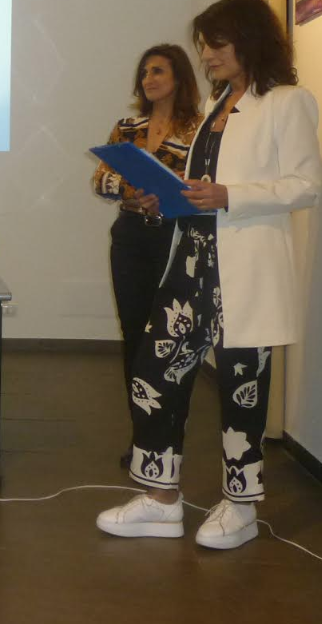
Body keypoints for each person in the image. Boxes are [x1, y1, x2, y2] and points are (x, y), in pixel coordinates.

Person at [96, 0, 322, 550]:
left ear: (250, 40)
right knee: (154, 371)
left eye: (216, 44)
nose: (206, 55)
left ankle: (241, 505)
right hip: (191, 260)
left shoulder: (287, 101)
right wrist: (170, 196)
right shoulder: (216, 104)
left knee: (242, 387)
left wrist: (230, 196)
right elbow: (202, 186)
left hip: (245, 268)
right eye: (203, 45)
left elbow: (307, 185)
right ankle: (160, 499)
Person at [93, 44, 203, 468]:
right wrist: (133, 191)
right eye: (144, 73)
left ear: (179, 77)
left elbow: (204, 183)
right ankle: (142, 436)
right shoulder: (128, 127)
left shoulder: (198, 128)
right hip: (131, 237)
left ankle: (169, 433)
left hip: (175, 239)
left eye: (158, 71)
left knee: (170, 339)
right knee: (136, 336)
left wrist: (169, 191)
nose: (148, 79)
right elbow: (100, 179)